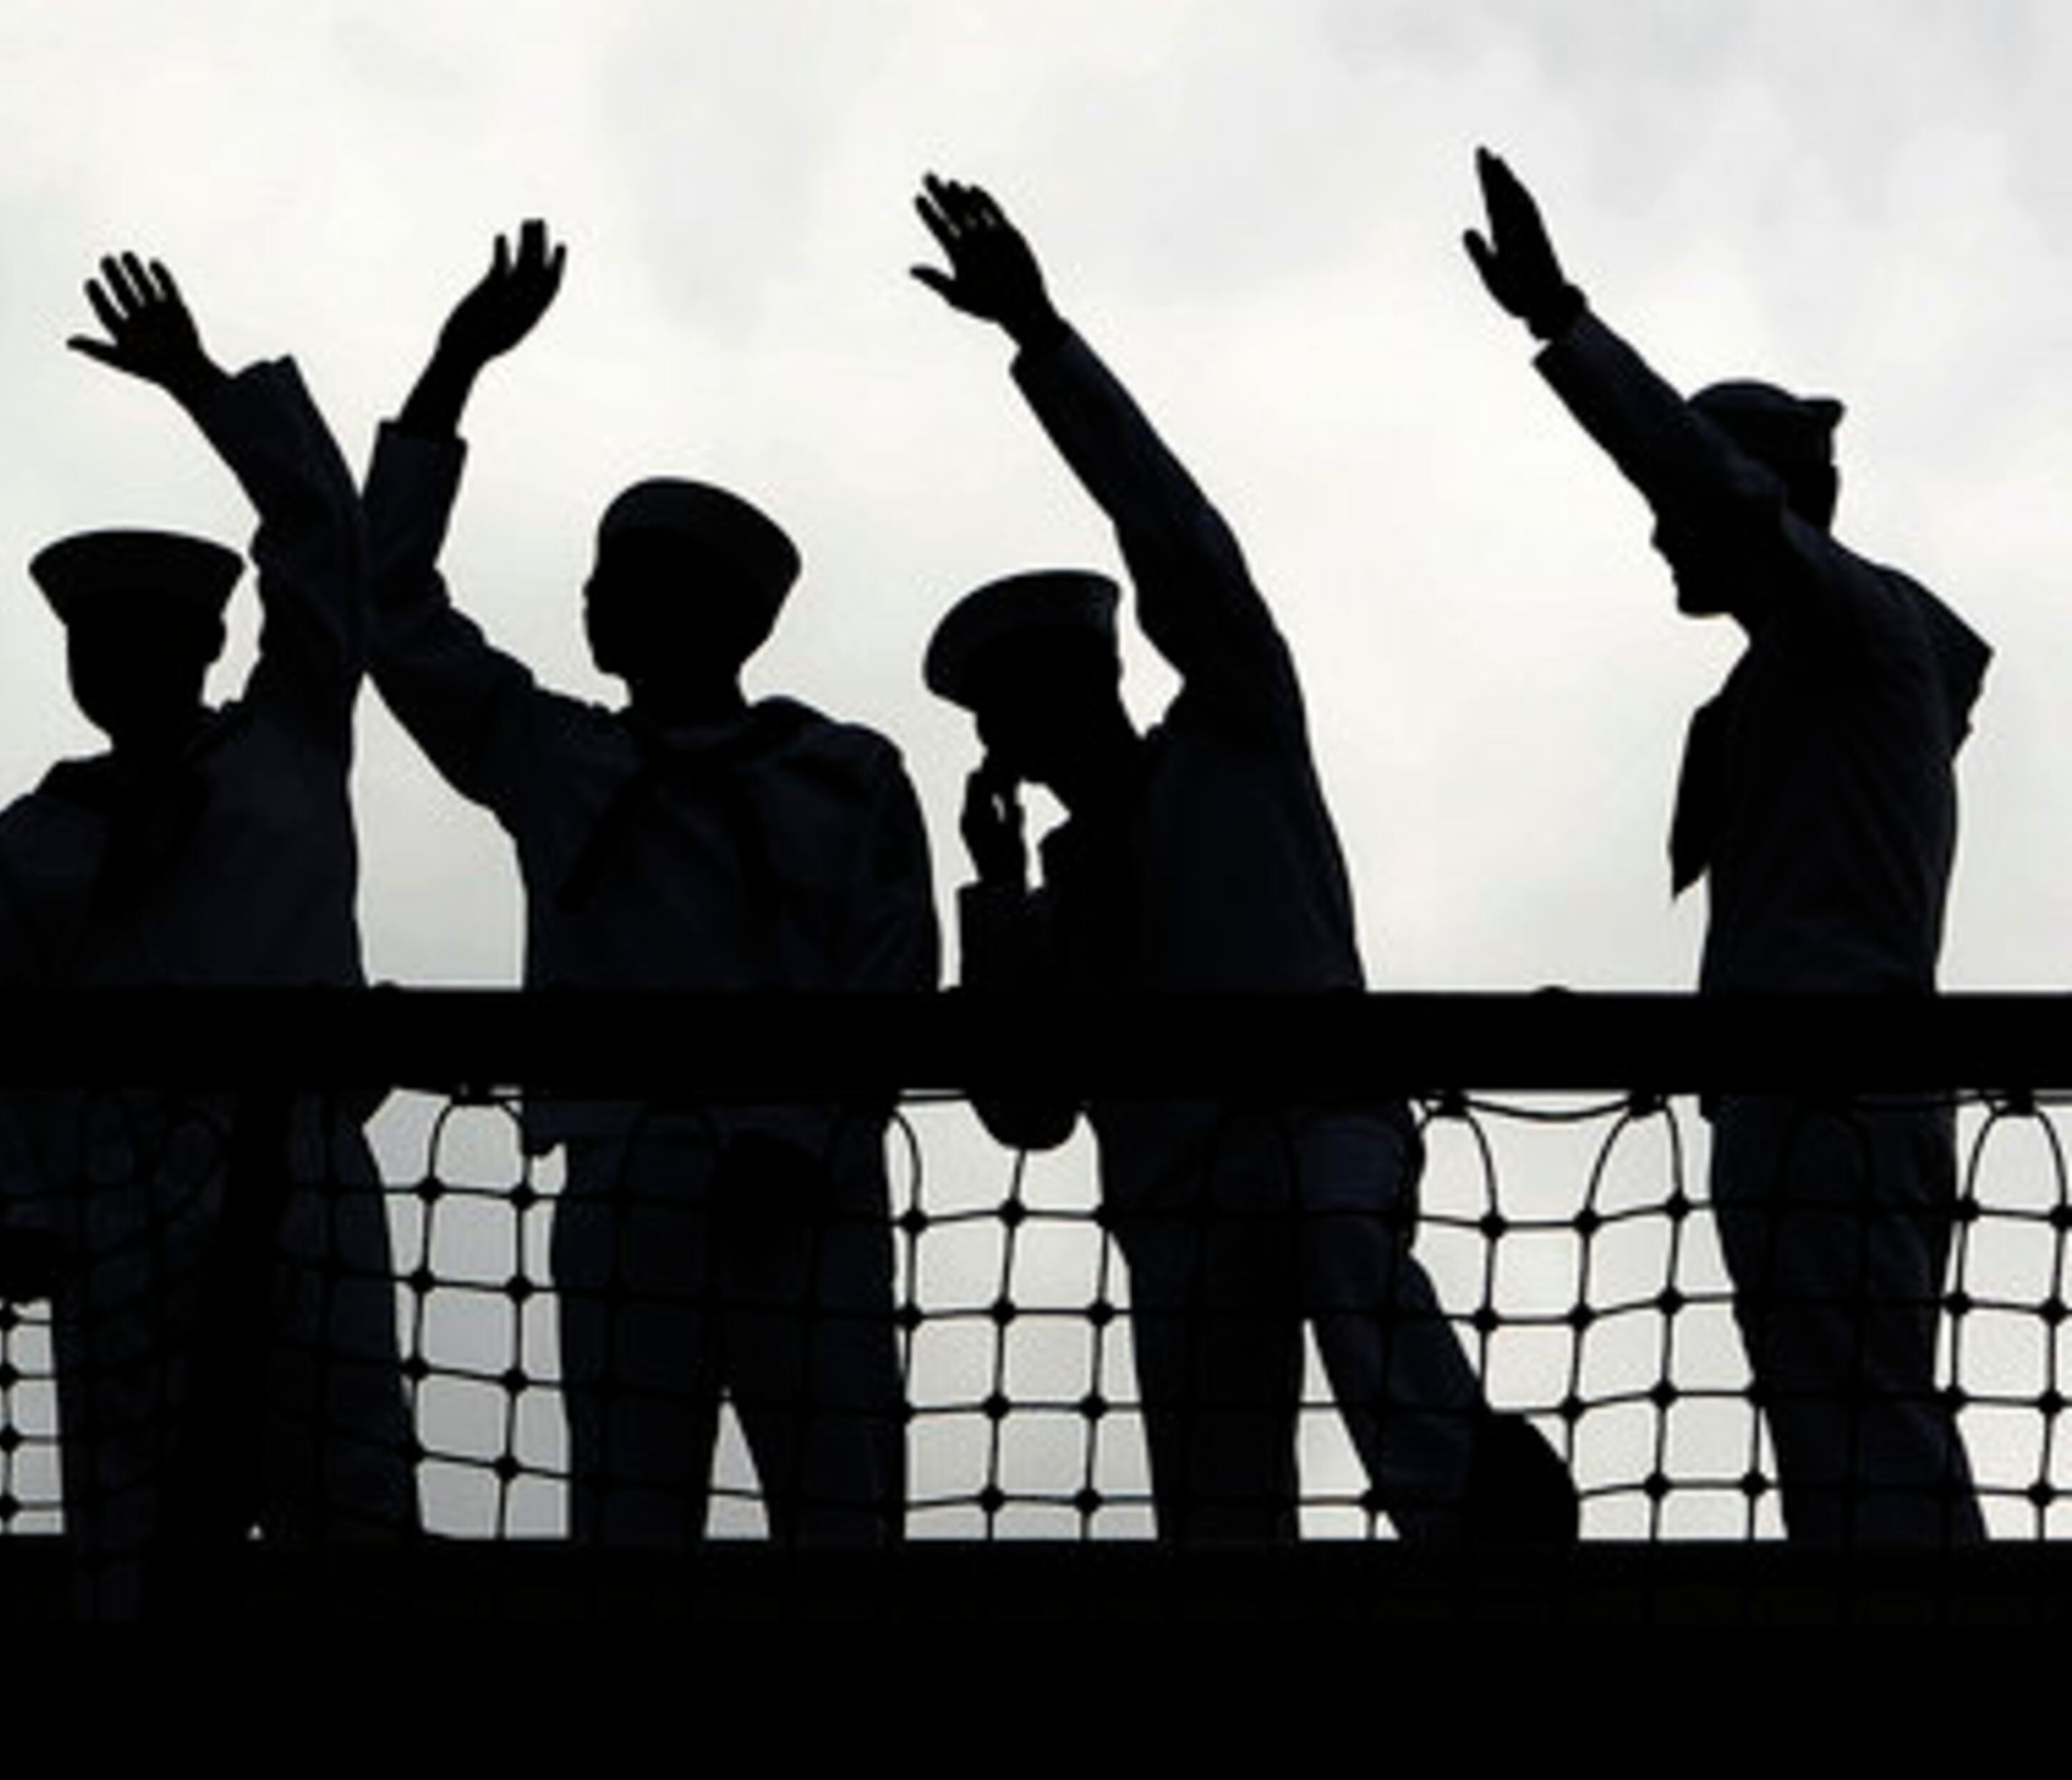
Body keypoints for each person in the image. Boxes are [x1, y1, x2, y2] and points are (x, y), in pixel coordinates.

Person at [914, 174, 1573, 1543]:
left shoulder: (1236, 729)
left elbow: (1179, 538)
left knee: (1346, 1239)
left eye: (1014, 708)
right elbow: (1026, 1110)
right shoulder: (1058, 886)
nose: (1008, 740)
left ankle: (1478, 1512)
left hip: (1318, 1114)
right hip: (1176, 1205)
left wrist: (1040, 337)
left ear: (1084, 681)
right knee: (1215, 1511)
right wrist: (996, 898)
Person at [361, 222, 936, 1544]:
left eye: (619, 581)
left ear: (711, 612)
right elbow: (391, 612)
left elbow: (891, 976)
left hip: (810, 1187)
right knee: (626, 1530)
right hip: (626, 1186)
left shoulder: (843, 774)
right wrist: (456, 369)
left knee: (849, 1524)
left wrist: (798, 1140)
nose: (589, 602)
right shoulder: (557, 758)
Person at [1465, 149, 1990, 1543]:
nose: (1660, 534)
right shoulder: (1806, 675)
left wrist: (1559, 322)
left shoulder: (1853, 627)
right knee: (1843, 1427)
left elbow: (1715, 495)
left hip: (1835, 1086)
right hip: (1793, 1089)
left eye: (1682, 507)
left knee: (1860, 1425)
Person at [0, 254, 416, 1617]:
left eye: (155, 638)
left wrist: (203, 389)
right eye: (101, 644)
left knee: (352, 1516)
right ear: (75, 667)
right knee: (132, 1549)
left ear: (214, 645)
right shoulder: (22, 844)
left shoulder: (287, 747)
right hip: (113, 1195)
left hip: (301, 1168)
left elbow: (324, 534)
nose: (127, 663)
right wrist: (23, 1222)